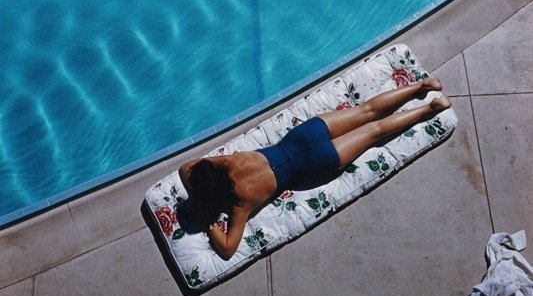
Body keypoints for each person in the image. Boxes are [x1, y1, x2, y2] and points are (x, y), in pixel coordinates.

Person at [179, 78, 452, 259]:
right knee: (366, 111)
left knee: (375, 130)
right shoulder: (227, 162)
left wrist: (207, 218)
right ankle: (422, 85)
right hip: (303, 136)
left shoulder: (241, 204)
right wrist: (198, 191)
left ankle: (429, 108)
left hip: (317, 161)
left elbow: (228, 249)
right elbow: (186, 168)